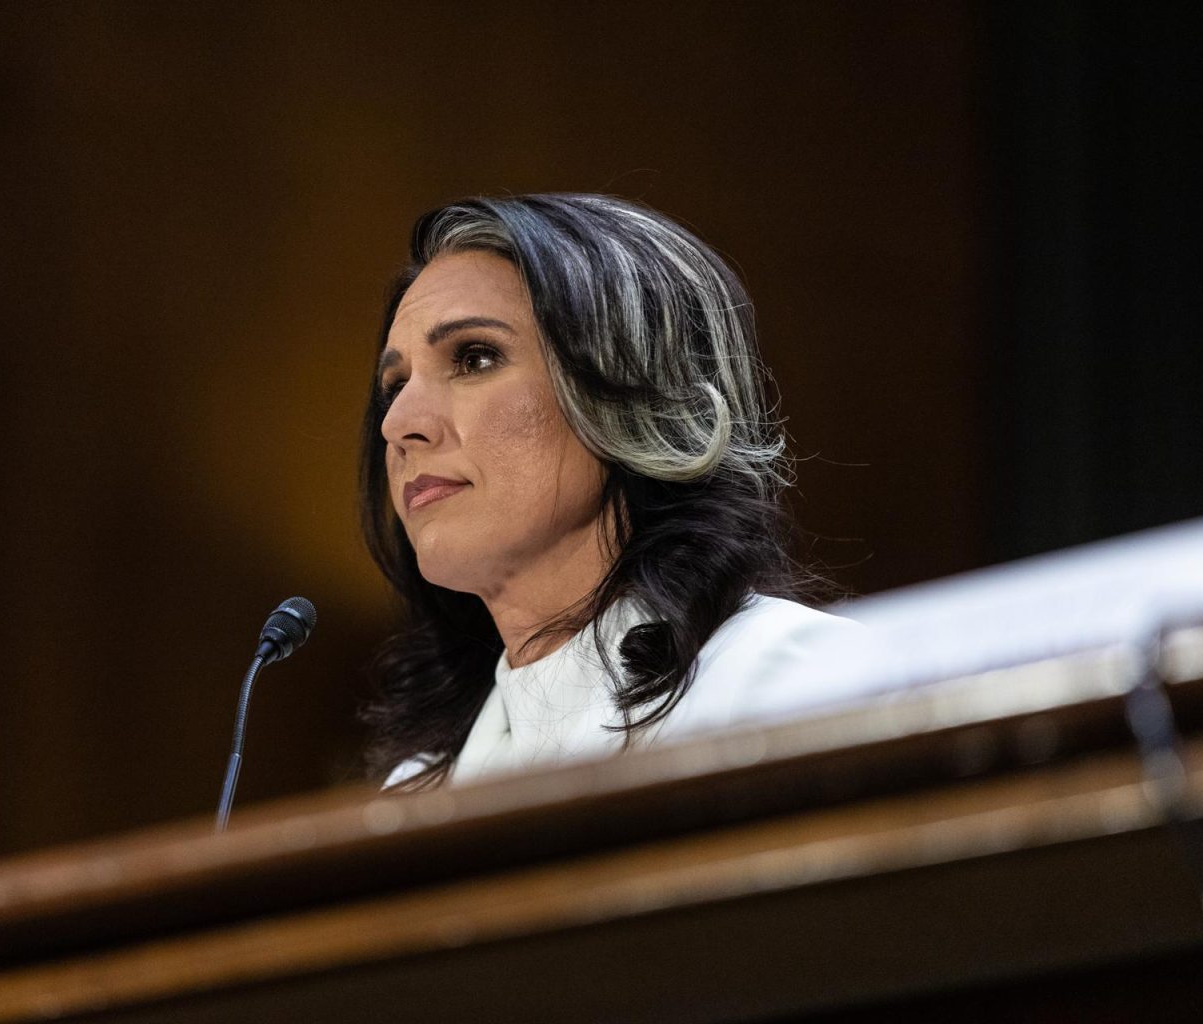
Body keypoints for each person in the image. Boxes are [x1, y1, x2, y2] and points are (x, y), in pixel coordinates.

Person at [360, 193, 853, 789]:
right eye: (395, 384)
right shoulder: (416, 793)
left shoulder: (788, 680)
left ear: (634, 393)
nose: (397, 422)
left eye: (476, 357)